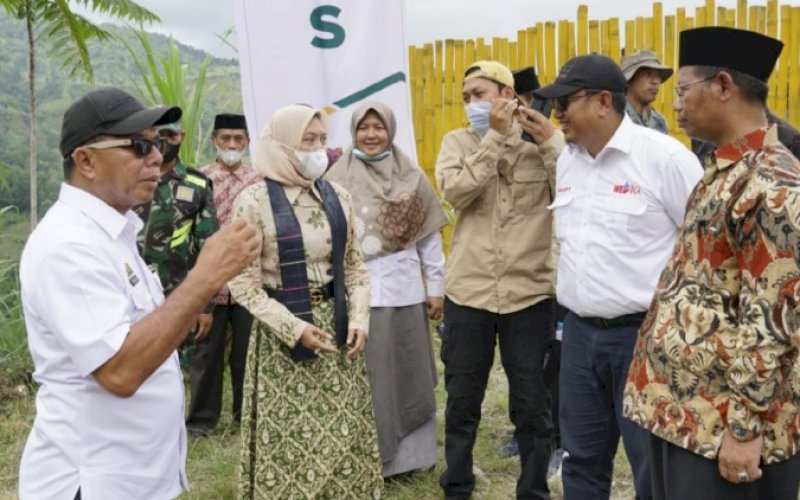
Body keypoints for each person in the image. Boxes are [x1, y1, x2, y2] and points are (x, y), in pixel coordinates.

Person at [17, 87, 258, 499]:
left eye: (160, 143)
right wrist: (205, 278)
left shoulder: (114, 232)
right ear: (86, 161)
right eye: (139, 145)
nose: (156, 158)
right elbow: (120, 371)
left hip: (130, 479)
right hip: (92, 483)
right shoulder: (70, 245)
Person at [624, 27, 800, 500]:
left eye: (682, 91)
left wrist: (744, 432)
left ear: (724, 86)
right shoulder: (722, 168)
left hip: (722, 428)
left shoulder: (773, 183)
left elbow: (773, 323)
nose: (674, 104)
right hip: (686, 417)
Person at [533, 54, 702, 500]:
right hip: (579, 336)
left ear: (603, 101)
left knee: (652, 464)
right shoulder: (567, 162)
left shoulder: (664, 158)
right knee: (581, 459)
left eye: (565, 102)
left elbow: (706, 248)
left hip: (645, 339)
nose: (556, 114)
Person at [228, 104, 382, 498]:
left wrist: (360, 320)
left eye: (323, 140)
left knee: (343, 434)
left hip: (338, 331)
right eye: (308, 141)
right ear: (281, 147)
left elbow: (355, 270)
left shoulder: (338, 197)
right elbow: (242, 285)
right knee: (291, 442)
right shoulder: (253, 202)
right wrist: (294, 328)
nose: (318, 150)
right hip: (285, 337)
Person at [435, 60, 565, 499]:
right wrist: (492, 137)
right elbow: (456, 193)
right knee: (462, 400)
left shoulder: (541, 145)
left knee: (532, 404)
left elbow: (571, 192)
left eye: (481, 93)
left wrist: (550, 142)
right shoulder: (457, 142)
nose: (472, 103)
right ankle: (457, 485)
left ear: (508, 96)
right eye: (467, 96)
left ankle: (532, 491)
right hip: (468, 292)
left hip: (529, 295)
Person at [326, 101, 447, 477]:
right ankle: (368, 459)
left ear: (390, 130)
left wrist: (436, 287)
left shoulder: (411, 177)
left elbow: (429, 240)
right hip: (356, 298)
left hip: (405, 292)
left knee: (409, 371)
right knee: (369, 378)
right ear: (353, 132)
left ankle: (411, 459)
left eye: (379, 127)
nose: (372, 135)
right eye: (364, 128)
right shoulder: (335, 177)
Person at [498, 66, 566, 482]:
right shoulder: (501, 142)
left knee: (553, 363)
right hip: (518, 275)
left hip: (554, 273)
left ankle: (556, 437)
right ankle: (520, 429)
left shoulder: (552, 145)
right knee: (521, 365)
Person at [186, 114, 261, 436]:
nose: (232, 145)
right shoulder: (200, 179)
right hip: (212, 283)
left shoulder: (259, 181)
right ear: (214, 140)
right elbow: (191, 233)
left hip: (249, 282)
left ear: (246, 142)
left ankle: (245, 419)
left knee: (247, 354)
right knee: (206, 355)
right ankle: (201, 422)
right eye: (226, 139)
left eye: (238, 139)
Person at [133, 120, 219, 371]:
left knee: (174, 370)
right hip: (131, 293)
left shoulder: (197, 184)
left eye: (169, 135)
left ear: (181, 136)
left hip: (177, 296)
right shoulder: (129, 179)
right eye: (156, 135)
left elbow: (208, 247)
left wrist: (205, 305)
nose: (163, 142)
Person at [620, 49, 673, 133]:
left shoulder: (660, 122)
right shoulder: (616, 119)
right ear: (629, 80)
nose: (655, 81)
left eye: (657, 75)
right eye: (647, 74)